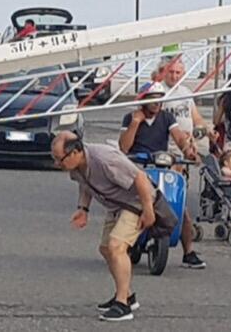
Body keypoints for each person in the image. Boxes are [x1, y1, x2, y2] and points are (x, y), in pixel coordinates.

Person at [52, 131, 157, 322]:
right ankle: (127, 295)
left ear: (76, 152)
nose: (57, 164)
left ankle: (122, 305)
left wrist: (148, 210)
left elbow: (140, 177)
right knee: (106, 249)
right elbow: (85, 185)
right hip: (115, 204)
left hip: (136, 201)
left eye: (60, 159)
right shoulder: (76, 167)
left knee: (117, 247)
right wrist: (83, 208)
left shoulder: (105, 159)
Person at [118, 82, 206, 269]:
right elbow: (124, 147)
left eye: (159, 99)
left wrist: (187, 150)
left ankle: (188, 252)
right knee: (128, 206)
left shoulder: (166, 117)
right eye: (152, 99)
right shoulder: (130, 118)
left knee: (180, 209)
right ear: (143, 101)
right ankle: (121, 244)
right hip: (138, 168)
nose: (156, 103)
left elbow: (179, 137)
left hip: (161, 166)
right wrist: (135, 123)